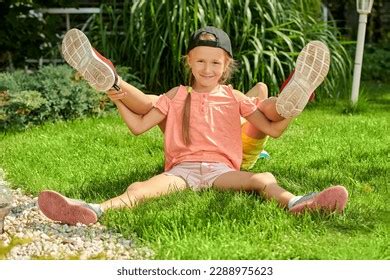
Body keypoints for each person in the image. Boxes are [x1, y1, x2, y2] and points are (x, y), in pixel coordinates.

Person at [38, 26, 348, 225]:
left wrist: (296, 107)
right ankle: (92, 209)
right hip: (180, 172)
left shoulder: (235, 97)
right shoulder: (176, 95)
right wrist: (112, 95)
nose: (207, 68)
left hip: (221, 171)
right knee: (139, 189)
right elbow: (138, 126)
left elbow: (273, 130)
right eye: (200, 61)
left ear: (226, 66)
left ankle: (298, 201)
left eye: (215, 63)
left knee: (263, 177)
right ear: (189, 61)